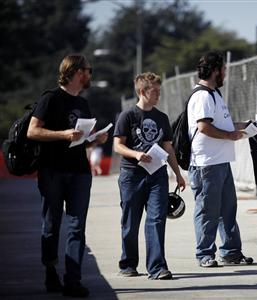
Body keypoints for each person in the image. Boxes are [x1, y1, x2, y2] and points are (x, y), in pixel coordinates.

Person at [27, 54, 108, 297]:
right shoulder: (50, 98)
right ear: (75, 71)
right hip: (52, 170)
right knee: (51, 225)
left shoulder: (82, 103)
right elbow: (33, 131)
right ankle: (50, 271)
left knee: (76, 227)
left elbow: (80, 140)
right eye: (88, 70)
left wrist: (94, 138)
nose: (90, 75)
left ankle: (73, 280)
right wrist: (63, 135)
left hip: (80, 173)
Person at [113, 72, 186, 280]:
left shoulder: (161, 118)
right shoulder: (127, 116)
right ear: (143, 92)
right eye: (155, 92)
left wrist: (178, 175)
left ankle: (157, 267)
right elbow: (118, 145)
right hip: (131, 176)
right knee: (130, 221)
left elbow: (168, 148)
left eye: (159, 91)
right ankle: (128, 263)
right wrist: (136, 154)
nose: (158, 96)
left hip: (157, 176)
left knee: (156, 220)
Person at [187, 52, 253, 268]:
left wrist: (244, 126)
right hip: (206, 164)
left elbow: (222, 124)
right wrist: (230, 136)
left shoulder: (215, 95)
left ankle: (232, 252)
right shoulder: (203, 96)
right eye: (223, 69)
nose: (225, 73)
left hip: (220, 162)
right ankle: (204, 254)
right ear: (215, 70)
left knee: (227, 210)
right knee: (208, 211)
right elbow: (203, 126)